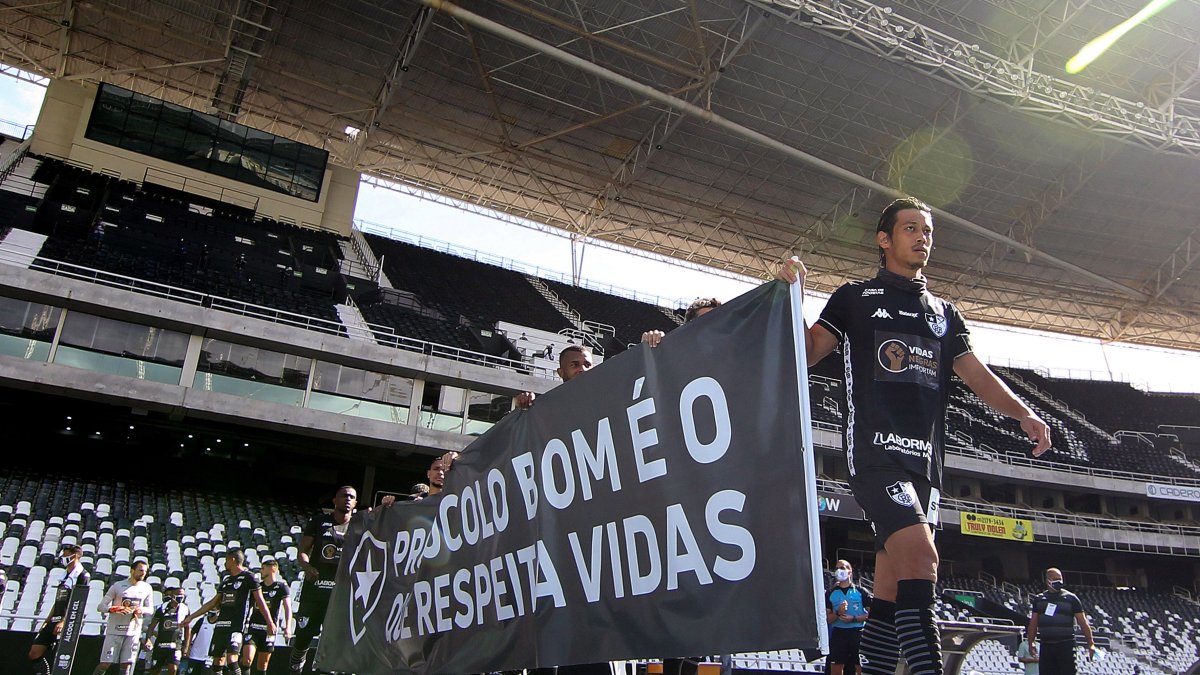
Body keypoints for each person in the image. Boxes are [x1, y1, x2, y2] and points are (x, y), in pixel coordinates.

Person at [779, 197, 1051, 675]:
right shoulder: (853, 298)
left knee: (888, 589)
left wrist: (1024, 412)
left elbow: (976, 373)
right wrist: (795, 294)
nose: (922, 237)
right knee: (924, 560)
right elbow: (806, 352)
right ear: (884, 240)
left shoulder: (945, 313)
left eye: (927, 230)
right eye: (910, 228)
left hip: (925, 465)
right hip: (876, 455)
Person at [289, 485, 357, 673]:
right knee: (304, 635)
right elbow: (302, 551)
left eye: (351, 496)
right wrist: (307, 567)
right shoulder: (319, 521)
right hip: (315, 589)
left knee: (335, 638)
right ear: (334, 500)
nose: (347, 499)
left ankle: (324, 669)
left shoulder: (360, 524)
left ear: (356, 503)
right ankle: (297, 662)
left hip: (341, 591)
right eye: (344, 495)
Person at [185, 549, 276, 675]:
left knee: (232, 659)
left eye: (226, 560)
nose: (225, 564)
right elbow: (212, 603)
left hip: (236, 626)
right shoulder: (226, 580)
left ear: (232, 560)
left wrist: (270, 622)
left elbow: (260, 601)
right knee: (217, 662)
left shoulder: (249, 577)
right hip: (221, 625)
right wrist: (191, 617)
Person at [29, 544, 91, 675]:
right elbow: (59, 600)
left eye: (65, 555)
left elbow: (77, 601)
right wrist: (48, 619)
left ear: (75, 556)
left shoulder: (82, 576)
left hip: (68, 622)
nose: (63, 558)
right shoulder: (64, 575)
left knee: (61, 658)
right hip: (54, 618)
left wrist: (64, 621)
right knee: (34, 653)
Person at [1026, 568, 1094, 675]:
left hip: (1066, 644)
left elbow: (1083, 622)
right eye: (1055, 579)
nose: (1059, 582)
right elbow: (1033, 623)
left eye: (1060, 579)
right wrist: (1031, 642)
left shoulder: (1071, 598)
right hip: (1046, 645)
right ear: (1048, 580)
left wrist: (1090, 643)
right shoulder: (1039, 599)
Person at [95, 559, 156, 675]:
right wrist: (112, 609)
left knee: (126, 665)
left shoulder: (147, 588)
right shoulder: (118, 586)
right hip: (115, 630)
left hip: (133, 632)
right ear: (132, 570)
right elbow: (101, 606)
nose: (143, 573)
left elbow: (150, 609)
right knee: (105, 663)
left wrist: (140, 609)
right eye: (141, 570)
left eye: (145, 571)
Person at [240, 559, 292, 675]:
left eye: (263, 569)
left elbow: (288, 608)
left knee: (263, 664)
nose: (261, 572)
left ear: (272, 568)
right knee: (247, 659)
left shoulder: (281, 587)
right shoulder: (258, 587)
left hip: (269, 631)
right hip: (253, 627)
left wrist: (288, 627)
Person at [827, 560, 872, 675]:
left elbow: (872, 615)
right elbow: (827, 619)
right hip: (839, 633)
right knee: (836, 666)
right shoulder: (830, 593)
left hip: (857, 633)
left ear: (850, 571)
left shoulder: (861, 591)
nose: (839, 571)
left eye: (842, 568)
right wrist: (838, 613)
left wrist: (854, 618)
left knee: (859, 666)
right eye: (837, 568)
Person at [514, 345, 594, 409]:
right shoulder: (547, 405)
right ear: (561, 373)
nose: (583, 369)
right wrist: (525, 404)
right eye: (574, 365)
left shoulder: (604, 399)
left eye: (587, 365)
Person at [143, 580, 191, 675]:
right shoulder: (162, 608)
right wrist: (148, 639)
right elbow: (152, 626)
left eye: (183, 596)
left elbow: (187, 629)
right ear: (173, 596)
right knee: (155, 670)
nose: (181, 597)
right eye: (179, 595)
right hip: (160, 644)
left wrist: (186, 646)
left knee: (173, 669)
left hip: (175, 645)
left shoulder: (185, 609)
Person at [641, 298, 723, 347]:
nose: (713, 323)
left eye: (717, 319)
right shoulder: (673, 355)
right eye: (706, 319)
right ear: (690, 327)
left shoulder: (732, 354)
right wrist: (650, 348)